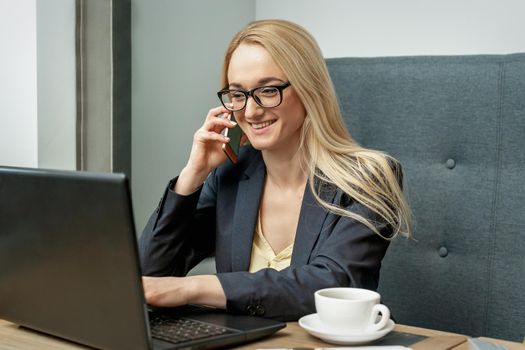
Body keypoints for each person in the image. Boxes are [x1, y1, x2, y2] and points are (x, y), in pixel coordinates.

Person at [139, 19, 411, 321]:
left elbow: (332, 284)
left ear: (309, 88)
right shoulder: (229, 175)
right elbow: (151, 275)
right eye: (238, 95)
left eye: (268, 90)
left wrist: (193, 288)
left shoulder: (369, 177)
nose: (251, 111)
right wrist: (193, 175)